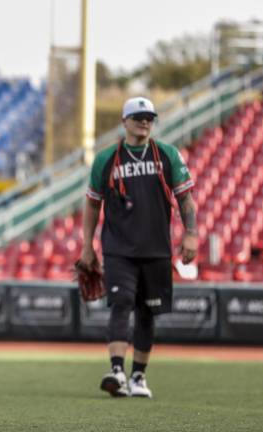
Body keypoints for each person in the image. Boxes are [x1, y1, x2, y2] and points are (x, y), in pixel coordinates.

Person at [79, 97, 197, 398]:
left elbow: (185, 198)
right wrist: (88, 246)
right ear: (124, 121)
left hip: (157, 248)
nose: (145, 121)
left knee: (147, 312)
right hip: (118, 248)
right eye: (138, 117)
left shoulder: (168, 154)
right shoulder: (106, 160)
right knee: (121, 303)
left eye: (149, 117)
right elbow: (93, 204)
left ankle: (138, 377)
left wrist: (191, 233)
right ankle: (117, 371)